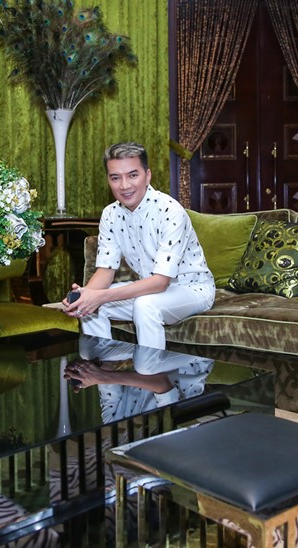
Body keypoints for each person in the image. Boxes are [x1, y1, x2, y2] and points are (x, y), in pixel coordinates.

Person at [61, 141, 216, 409]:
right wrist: (85, 297)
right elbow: (105, 271)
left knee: (144, 305)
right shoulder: (110, 214)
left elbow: (160, 282)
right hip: (151, 289)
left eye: (132, 175)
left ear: (147, 175)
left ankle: (155, 380)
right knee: (94, 305)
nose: (125, 185)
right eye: (115, 177)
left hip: (192, 289)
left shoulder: (170, 211)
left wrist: (99, 296)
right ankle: (105, 372)